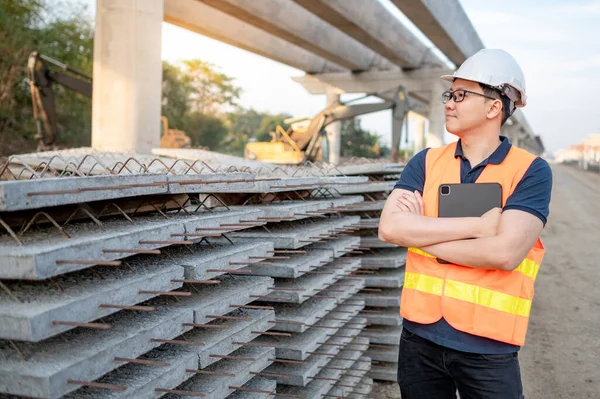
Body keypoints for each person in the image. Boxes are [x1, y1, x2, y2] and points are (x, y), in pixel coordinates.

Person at [378, 49, 553, 399]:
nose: (449, 103)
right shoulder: (426, 161)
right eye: (449, 94)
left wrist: (419, 233)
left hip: (488, 348)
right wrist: (479, 225)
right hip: (419, 339)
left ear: (493, 107)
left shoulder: (531, 171)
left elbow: (505, 253)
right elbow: (389, 229)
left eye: (461, 95)